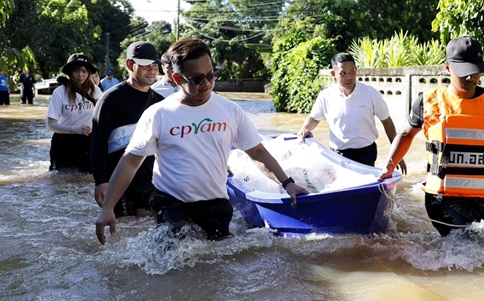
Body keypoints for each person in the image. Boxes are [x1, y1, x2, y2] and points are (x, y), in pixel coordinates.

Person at [95, 38, 307, 245]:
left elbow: (257, 152)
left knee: (219, 260)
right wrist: (108, 208)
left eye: (210, 75)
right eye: (197, 79)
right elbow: (131, 161)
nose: (206, 83)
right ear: (177, 80)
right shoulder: (158, 114)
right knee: (178, 249)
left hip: (215, 203)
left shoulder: (230, 111)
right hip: (170, 201)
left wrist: (288, 184)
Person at [378, 36, 484, 236]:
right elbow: (405, 134)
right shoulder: (428, 102)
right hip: (441, 199)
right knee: (473, 243)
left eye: (474, 71)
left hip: (481, 200)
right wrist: (389, 165)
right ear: (448, 68)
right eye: (464, 72)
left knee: (471, 251)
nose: (470, 78)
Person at [297, 53, 406, 173]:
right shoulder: (326, 96)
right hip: (337, 154)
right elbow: (314, 118)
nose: (349, 77)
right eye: (343, 73)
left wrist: (397, 154)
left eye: (352, 71)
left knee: (365, 188)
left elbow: (387, 122)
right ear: (333, 74)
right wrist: (305, 128)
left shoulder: (371, 94)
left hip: (366, 152)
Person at [91, 41, 165, 218]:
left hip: (152, 182)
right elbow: (97, 142)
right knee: (123, 233)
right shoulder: (110, 99)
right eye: (146, 65)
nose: (152, 70)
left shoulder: (160, 102)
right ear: (130, 65)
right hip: (119, 182)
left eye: (155, 65)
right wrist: (101, 181)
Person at [46, 53, 102, 173]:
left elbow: (103, 117)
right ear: (70, 73)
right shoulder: (59, 92)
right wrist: (75, 129)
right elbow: (50, 125)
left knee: (86, 181)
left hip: (88, 142)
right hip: (63, 143)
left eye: (84, 71)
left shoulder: (95, 91)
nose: (80, 75)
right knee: (63, 181)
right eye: (76, 71)